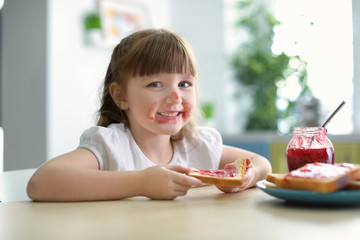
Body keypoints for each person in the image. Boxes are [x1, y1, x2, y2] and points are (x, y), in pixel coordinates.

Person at [27, 29, 272, 201]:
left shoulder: (198, 144)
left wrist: (246, 177)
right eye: (156, 84)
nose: (175, 97)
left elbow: (262, 164)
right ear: (121, 96)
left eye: (185, 84)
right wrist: (141, 183)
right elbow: (41, 182)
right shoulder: (111, 146)